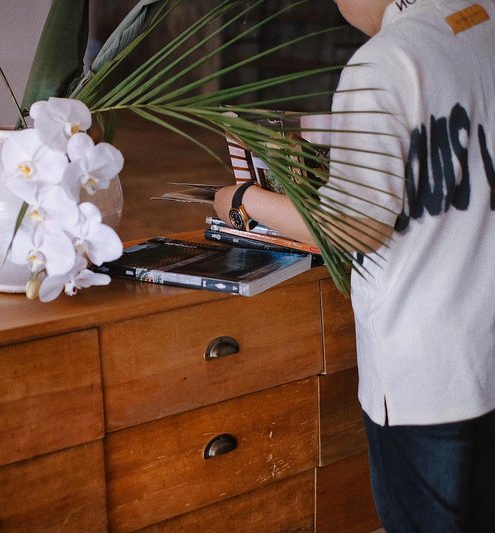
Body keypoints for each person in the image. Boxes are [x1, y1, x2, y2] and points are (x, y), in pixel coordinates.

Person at [213, 0, 495, 531]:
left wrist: (244, 199)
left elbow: (354, 226)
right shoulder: (483, 19)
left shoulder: (385, 60)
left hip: (425, 368)